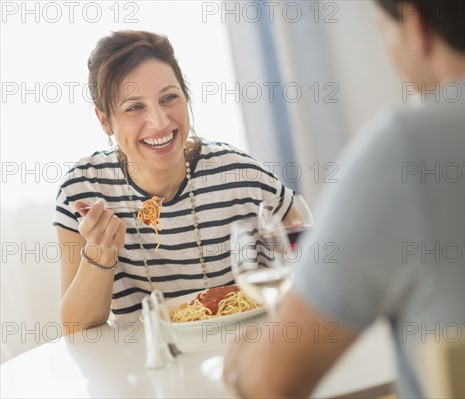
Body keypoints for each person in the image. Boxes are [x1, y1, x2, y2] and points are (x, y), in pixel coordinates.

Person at [223, 1, 465, 397]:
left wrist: (241, 366)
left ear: (415, 25)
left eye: (383, 28)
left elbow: (271, 384)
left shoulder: (405, 155)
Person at [54, 30, 294, 332]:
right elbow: (77, 329)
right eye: (135, 107)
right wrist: (101, 253)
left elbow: (316, 270)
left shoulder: (240, 174)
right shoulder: (85, 191)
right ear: (104, 120)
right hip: (147, 367)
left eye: (169, 98)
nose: (160, 121)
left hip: (246, 355)